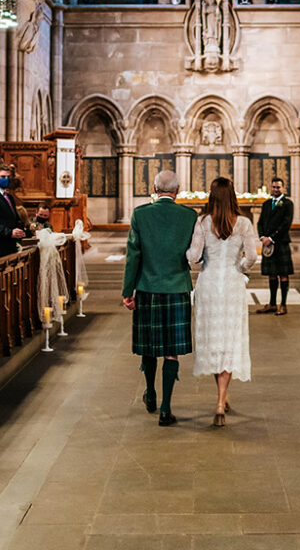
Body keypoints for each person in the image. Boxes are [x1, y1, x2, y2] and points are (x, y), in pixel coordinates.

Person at [121, 170, 197, 427]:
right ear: (178, 190)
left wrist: (127, 291)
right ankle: (166, 408)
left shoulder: (141, 214)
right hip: (177, 288)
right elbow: (193, 255)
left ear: (154, 188)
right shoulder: (189, 216)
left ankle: (150, 392)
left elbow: (134, 255)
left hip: (147, 287)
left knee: (150, 345)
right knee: (171, 350)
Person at [186, 177, 257, 426]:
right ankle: (221, 399)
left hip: (208, 285)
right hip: (232, 284)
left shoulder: (203, 222)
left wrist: (184, 252)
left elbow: (193, 257)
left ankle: (220, 398)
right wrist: (238, 266)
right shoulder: (245, 223)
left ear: (212, 196)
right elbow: (252, 257)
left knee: (213, 339)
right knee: (230, 339)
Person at [256, 177, 294, 315]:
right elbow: (260, 223)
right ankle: (272, 304)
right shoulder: (266, 204)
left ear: (283, 188)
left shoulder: (287, 204)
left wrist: (271, 238)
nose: (275, 189)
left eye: (278, 187)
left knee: (283, 275)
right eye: (273, 187)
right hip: (268, 244)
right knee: (271, 275)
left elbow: (286, 224)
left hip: (280, 243)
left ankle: (283, 304)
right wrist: (262, 237)